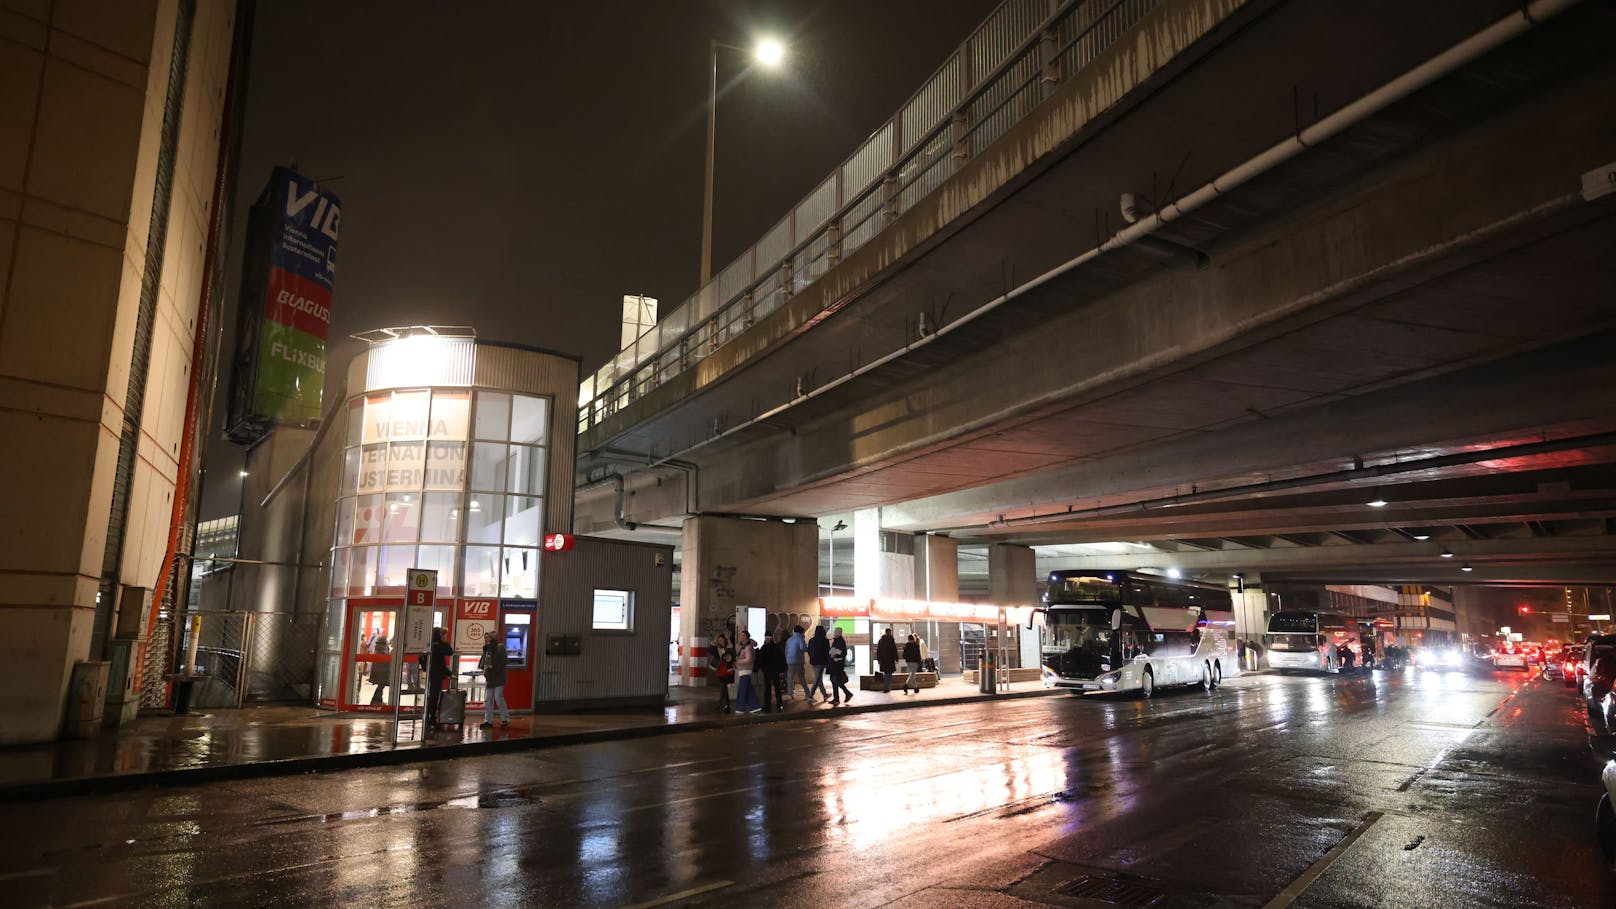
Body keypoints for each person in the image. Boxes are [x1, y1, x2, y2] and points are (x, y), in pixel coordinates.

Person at [422, 627, 453, 730]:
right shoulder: (438, 646)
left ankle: (428, 717)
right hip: (436, 674)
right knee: (434, 696)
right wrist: (445, 642)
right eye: (443, 635)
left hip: (433, 673)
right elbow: (449, 651)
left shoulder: (431, 645)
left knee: (432, 696)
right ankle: (431, 718)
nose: (445, 637)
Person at [478, 636, 509, 729]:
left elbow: (503, 661)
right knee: (488, 699)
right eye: (485, 638)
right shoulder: (487, 649)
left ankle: (505, 719)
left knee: (498, 697)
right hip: (490, 677)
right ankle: (488, 721)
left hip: (499, 677)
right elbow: (484, 662)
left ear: (493, 638)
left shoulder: (500, 647)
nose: (486, 640)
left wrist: (493, 667)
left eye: (488, 638)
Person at [734, 630, 761, 714]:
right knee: (749, 690)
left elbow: (749, 659)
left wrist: (738, 661)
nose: (741, 637)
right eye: (740, 635)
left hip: (745, 670)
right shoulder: (745, 646)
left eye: (743, 635)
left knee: (742, 690)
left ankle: (740, 707)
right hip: (744, 670)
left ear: (747, 637)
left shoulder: (748, 647)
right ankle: (754, 706)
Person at [758, 629, 786, 712]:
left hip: (772, 670)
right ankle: (775, 706)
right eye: (766, 637)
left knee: (774, 689)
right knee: (770, 689)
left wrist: (781, 670)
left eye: (768, 637)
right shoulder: (774, 647)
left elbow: (780, 659)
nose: (767, 639)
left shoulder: (768, 647)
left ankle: (774, 706)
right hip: (770, 671)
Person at [709, 633, 735, 713]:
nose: (720, 641)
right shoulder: (717, 648)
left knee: (724, 687)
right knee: (724, 688)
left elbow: (732, 651)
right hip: (720, 670)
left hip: (728, 670)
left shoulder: (728, 647)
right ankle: (724, 705)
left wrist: (727, 639)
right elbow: (710, 650)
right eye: (719, 640)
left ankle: (723, 704)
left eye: (721, 639)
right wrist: (715, 639)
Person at [827, 627, 854, 705]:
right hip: (834, 664)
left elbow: (843, 653)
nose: (834, 633)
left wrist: (836, 656)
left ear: (839, 633)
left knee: (836, 680)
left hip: (837, 664)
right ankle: (837, 698)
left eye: (836, 631)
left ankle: (846, 694)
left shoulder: (840, 641)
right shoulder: (836, 640)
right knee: (834, 680)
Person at [786, 625, 812, 702]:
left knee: (790, 678)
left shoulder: (789, 639)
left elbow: (786, 650)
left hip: (790, 661)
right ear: (801, 632)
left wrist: (787, 658)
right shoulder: (800, 638)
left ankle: (790, 693)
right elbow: (803, 648)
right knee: (802, 678)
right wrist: (807, 647)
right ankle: (807, 693)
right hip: (798, 661)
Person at [808, 626, 832, 702]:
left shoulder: (811, 640)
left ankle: (824, 694)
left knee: (819, 679)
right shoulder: (825, 641)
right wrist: (827, 662)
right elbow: (827, 652)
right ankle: (810, 696)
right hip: (820, 662)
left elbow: (809, 650)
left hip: (813, 661)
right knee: (817, 679)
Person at [368, 633, 392, 705]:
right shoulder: (384, 651)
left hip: (377, 671)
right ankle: (375, 701)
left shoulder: (377, 649)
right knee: (381, 686)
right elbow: (387, 662)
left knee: (381, 686)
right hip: (382, 672)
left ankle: (378, 700)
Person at [876, 627, 898, 693]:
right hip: (890, 660)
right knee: (889, 674)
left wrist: (879, 659)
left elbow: (878, 650)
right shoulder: (891, 639)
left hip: (883, 660)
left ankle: (886, 687)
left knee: (886, 673)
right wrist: (896, 658)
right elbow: (894, 650)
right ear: (889, 632)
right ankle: (887, 687)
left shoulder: (881, 640)